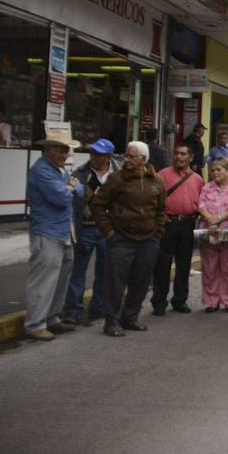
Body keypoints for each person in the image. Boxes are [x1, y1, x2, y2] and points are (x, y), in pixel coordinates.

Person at [89, 141, 166, 337]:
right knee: (115, 282)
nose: (127, 160)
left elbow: (161, 209)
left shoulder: (156, 180)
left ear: (143, 159)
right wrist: (108, 230)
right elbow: (97, 205)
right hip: (121, 238)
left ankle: (130, 317)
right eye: (126, 156)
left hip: (149, 239)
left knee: (141, 281)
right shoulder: (117, 179)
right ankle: (111, 321)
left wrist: (158, 231)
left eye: (132, 157)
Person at [23, 127, 84, 341]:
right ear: (48, 149)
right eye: (59, 150)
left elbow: (80, 191)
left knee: (61, 277)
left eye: (66, 150)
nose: (64, 154)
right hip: (47, 231)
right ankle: (35, 323)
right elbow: (60, 197)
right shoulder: (42, 170)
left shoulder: (59, 170)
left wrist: (70, 188)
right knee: (44, 279)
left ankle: (51, 318)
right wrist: (69, 188)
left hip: (64, 230)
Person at [62, 138, 118, 325]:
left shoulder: (117, 175)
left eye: (99, 154)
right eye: (92, 153)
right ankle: (73, 309)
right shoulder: (80, 173)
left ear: (108, 157)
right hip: (85, 228)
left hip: (108, 230)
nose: (94, 157)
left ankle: (98, 307)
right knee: (78, 271)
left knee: (104, 271)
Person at [151, 144, 204, 316]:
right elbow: (152, 198)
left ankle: (180, 300)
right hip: (168, 223)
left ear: (190, 157)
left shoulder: (197, 179)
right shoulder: (162, 175)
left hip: (188, 225)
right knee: (162, 264)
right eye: (176, 154)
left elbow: (201, 202)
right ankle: (159, 302)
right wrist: (160, 216)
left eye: (183, 154)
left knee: (184, 263)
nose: (178, 157)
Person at [197, 158, 228, 312]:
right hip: (209, 231)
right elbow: (201, 206)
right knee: (209, 268)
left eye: (219, 170)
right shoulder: (207, 187)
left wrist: (219, 219)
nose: (215, 173)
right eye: (213, 170)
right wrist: (210, 219)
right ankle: (211, 301)